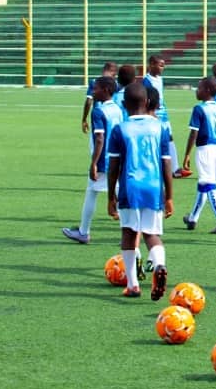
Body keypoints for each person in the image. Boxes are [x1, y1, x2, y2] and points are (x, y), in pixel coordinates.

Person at [106, 82, 173, 299]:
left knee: (129, 233)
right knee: (151, 234)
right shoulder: (160, 128)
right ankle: (159, 265)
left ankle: (133, 285)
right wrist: (169, 196)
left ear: (124, 104)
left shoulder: (120, 129)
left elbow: (114, 166)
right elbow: (166, 163)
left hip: (130, 188)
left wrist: (110, 196)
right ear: (147, 101)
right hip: (154, 188)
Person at [63, 76, 122, 245]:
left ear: (106, 90)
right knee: (120, 194)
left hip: (104, 160)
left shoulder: (98, 111)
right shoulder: (117, 109)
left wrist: (94, 163)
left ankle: (84, 232)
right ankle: (129, 235)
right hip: (117, 159)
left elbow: (100, 139)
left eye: (96, 88)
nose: (93, 91)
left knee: (92, 192)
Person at [181, 77, 216, 234]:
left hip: (205, 150)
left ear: (207, 90)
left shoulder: (199, 109)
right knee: (204, 183)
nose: (197, 90)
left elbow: (193, 133)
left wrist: (187, 154)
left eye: (199, 88)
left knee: (209, 185)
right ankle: (193, 218)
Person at [143, 54, 186, 178]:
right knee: (155, 139)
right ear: (152, 65)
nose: (163, 68)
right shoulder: (147, 81)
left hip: (163, 114)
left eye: (163, 65)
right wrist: (151, 113)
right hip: (154, 114)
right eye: (160, 65)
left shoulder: (159, 79)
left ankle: (175, 168)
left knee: (169, 138)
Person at [81, 61, 117, 133]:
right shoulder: (116, 84)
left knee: (98, 135)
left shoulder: (94, 82)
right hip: (113, 115)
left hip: (98, 115)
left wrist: (84, 119)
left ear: (103, 70)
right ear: (113, 72)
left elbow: (89, 101)